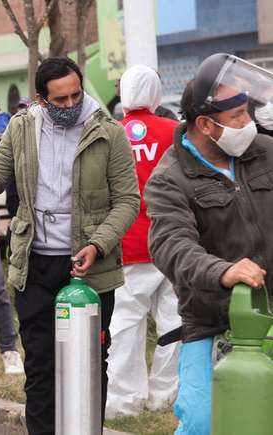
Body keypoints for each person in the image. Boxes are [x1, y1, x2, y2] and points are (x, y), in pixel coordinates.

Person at [0, 57, 139, 434]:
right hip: (35, 264)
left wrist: (97, 244)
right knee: (41, 364)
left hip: (90, 268)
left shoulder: (109, 132)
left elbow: (128, 200)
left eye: (75, 95)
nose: (70, 105)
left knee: (91, 361)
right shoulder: (22, 127)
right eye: (59, 99)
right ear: (41, 99)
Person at [144, 53, 273, 435]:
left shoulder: (265, 152)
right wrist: (223, 271)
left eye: (249, 114)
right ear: (205, 123)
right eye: (237, 118)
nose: (247, 125)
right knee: (203, 421)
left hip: (270, 316)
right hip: (212, 322)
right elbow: (170, 246)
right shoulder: (169, 178)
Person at [105, 65, 182, 418]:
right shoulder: (175, 131)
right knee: (175, 320)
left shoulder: (109, 134)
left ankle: (124, 400)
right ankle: (165, 394)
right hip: (171, 240)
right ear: (155, 93)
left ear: (122, 93)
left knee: (124, 324)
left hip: (126, 243)